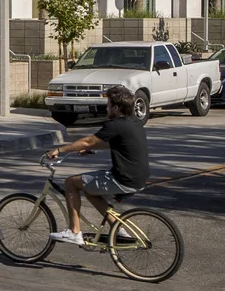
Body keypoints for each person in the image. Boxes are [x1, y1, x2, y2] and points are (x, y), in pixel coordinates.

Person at [44, 85, 150, 245]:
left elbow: (88, 141)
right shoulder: (134, 123)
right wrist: (90, 149)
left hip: (123, 179)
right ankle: (118, 229)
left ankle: (74, 232)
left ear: (116, 107)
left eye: (108, 104)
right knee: (90, 191)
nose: (106, 107)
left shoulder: (115, 125)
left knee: (71, 183)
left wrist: (59, 150)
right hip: (138, 178)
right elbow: (115, 144)